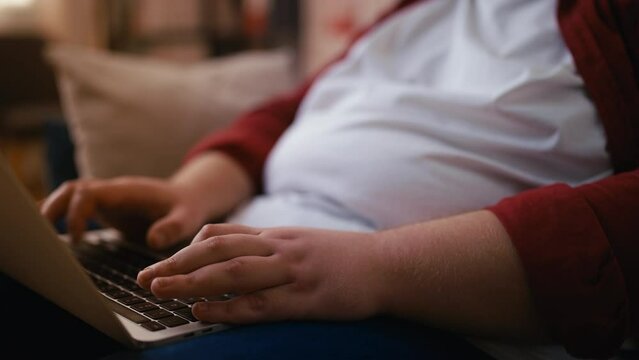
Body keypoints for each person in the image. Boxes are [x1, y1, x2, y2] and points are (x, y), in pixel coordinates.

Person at [40, 0, 638, 359]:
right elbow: (289, 111)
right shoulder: (418, 12)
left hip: (423, 316)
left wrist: (376, 266)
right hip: (245, 251)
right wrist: (190, 189)